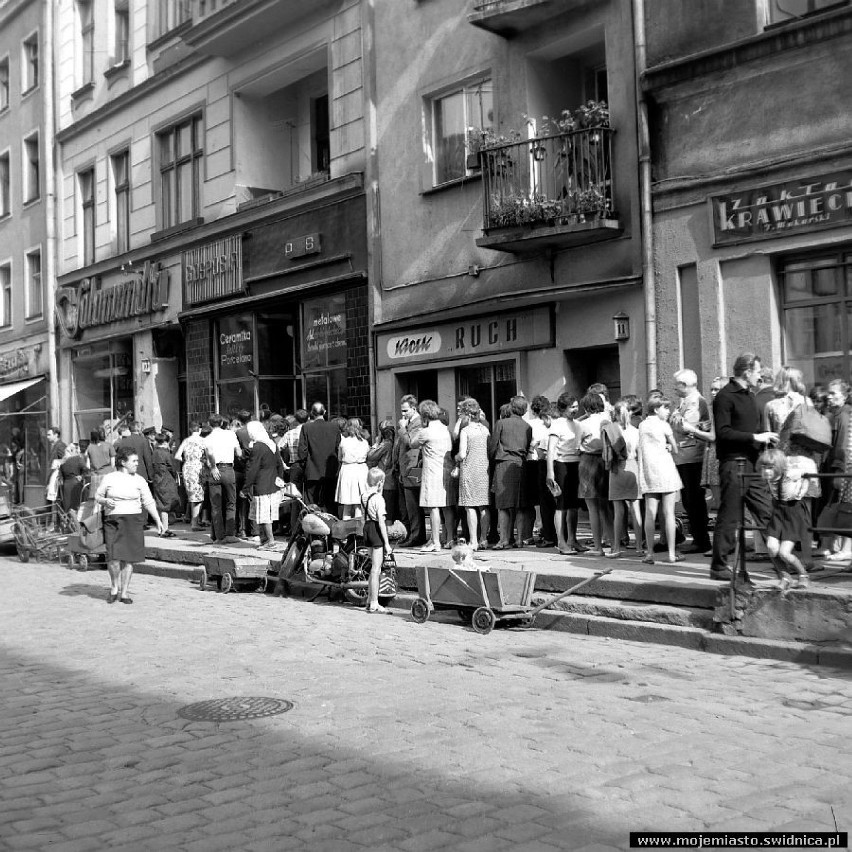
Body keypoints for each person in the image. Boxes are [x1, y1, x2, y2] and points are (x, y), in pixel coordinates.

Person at [710, 353, 778, 581]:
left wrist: (764, 439)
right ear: (747, 371)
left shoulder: (749, 395)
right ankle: (719, 566)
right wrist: (755, 437)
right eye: (757, 371)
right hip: (733, 463)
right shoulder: (724, 396)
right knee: (730, 515)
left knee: (767, 511)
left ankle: (783, 560)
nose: (760, 376)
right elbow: (723, 433)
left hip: (753, 463)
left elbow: (751, 429)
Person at [95, 446, 165, 604]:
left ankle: (124, 592)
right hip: (113, 520)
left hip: (133, 520)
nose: (137, 464)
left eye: (137, 461)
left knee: (129, 559)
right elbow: (98, 496)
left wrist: (158, 520)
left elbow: (148, 501)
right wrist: (106, 500)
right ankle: (114, 587)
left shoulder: (139, 480)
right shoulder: (110, 478)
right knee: (113, 557)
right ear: (123, 462)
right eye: (133, 461)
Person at [756, 447, 815, 590]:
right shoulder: (770, 479)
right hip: (778, 512)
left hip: (793, 512)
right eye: (764, 467)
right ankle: (785, 577)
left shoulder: (790, 474)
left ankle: (803, 575)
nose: (766, 471)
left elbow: (806, 474)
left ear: (779, 467)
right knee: (771, 547)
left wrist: (802, 480)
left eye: (770, 467)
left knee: (784, 553)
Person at [671, 369, 714, 554]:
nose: (674, 389)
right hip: (684, 456)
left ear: (685, 385)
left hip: (691, 456)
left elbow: (683, 427)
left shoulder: (695, 402)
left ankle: (701, 540)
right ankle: (698, 538)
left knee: (694, 499)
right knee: (689, 499)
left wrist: (675, 420)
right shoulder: (686, 402)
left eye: (677, 385)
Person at [638, 397, 683, 565]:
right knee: (669, 513)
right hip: (666, 470)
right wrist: (670, 447)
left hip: (649, 473)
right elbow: (675, 448)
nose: (668, 411)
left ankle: (649, 553)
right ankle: (671, 554)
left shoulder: (642, 425)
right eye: (666, 408)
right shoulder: (664, 425)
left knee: (650, 514)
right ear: (656, 409)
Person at [488, 396, 532, 550]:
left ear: (512, 407)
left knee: (503, 505)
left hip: (503, 463)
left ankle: (504, 540)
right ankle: (520, 539)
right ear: (525, 410)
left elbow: (493, 446)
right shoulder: (528, 426)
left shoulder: (501, 423)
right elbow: (527, 446)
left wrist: (491, 460)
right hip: (520, 464)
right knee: (520, 505)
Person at [546, 393, 586, 555]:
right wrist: (550, 473)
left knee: (574, 506)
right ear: (563, 409)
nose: (575, 410)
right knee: (562, 505)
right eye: (572, 407)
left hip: (576, 465)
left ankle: (573, 539)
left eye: (577, 406)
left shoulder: (577, 424)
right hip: (561, 464)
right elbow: (550, 450)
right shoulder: (557, 425)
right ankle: (561, 541)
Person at [412, 400, 454, 553]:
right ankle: (449, 538)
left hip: (432, 472)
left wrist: (407, 428)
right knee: (447, 506)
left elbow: (412, 443)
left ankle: (435, 541)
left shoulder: (426, 431)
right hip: (446, 469)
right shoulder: (445, 429)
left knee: (434, 507)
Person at [577, 392, 612, 557]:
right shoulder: (608, 421)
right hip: (606, 461)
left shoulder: (583, 424)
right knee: (606, 506)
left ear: (586, 407)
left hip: (588, 460)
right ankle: (613, 543)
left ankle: (598, 546)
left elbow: (577, 444)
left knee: (592, 507)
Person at [606, 400, 642, 558]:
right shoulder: (636, 431)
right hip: (633, 466)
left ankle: (616, 547)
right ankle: (640, 547)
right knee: (636, 510)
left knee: (618, 511)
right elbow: (640, 453)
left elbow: (606, 454)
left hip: (616, 468)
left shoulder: (611, 430)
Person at [243, 421, 285, 548]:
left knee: (263, 514)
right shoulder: (271, 443)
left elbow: (252, 468)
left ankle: (270, 540)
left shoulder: (258, 446)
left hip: (262, 483)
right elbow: (279, 464)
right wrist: (280, 479)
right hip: (272, 482)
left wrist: (245, 487)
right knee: (267, 514)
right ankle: (265, 539)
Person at [455, 397, 490, 551]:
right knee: (483, 506)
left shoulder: (466, 431)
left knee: (470, 507)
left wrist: (455, 458)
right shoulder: (485, 430)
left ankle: (474, 541)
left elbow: (462, 454)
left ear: (467, 415)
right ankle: (484, 539)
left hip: (469, 469)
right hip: (484, 470)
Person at [203, 413, 242, 544]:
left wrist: (213, 467)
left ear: (209, 424)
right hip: (229, 469)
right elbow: (239, 452)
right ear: (221, 423)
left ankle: (219, 536)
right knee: (231, 503)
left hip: (214, 471)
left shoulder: (208, 438)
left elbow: (209, 453)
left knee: (216, 506)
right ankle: (230, 534)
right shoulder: (231, 434)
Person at [297, 402, 341, 514]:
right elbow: (338, 447)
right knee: (330, 501)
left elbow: (302, 451)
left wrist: (304, 465)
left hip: (312, 470)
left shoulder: (306, 427)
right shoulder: (334, 427)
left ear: (312, 413)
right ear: (325, 412)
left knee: (311, 503)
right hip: (330, 470)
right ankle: (331, 526)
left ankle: (311, 528)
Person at [395, 395, 426, 547]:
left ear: (414, 408)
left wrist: (401, 427)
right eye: (401, 411)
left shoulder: (418, 423)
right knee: (408, 505)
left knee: (413, 504)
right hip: (405, 467)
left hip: (413, 467)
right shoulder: (409, 422)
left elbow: (410, 442)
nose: (403, 414)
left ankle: (417, 535)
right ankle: (413, 534)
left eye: (405, 411)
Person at [361, 467, 393, 614]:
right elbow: (381, 521)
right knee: (376, 569)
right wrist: (387, 544)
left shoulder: (364, 496)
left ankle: (369, 599)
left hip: (366, 528)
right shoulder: (379, 499)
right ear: (380, 482)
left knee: (372, 567)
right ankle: (374, 603)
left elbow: (363, 516)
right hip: (375, 529)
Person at [526, 395, 555, 547]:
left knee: (538, 499)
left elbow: (532, 444)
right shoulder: (550, 423)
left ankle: (541, 527)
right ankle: (547, 529)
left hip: (535, 461)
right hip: (553, 460)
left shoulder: (530, 424)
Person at [336, 418, 370, 519]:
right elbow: (368, 456)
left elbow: (339, 457)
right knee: (359, 505)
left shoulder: (344, 442)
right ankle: (359, 531)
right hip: (361, 469)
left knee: (347, 505)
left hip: (347, 470)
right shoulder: (364, 442)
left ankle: (346, 532)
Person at [175, 422, 206, 531]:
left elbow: (177, 456)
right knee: (199, 495)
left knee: (192, 495)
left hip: (187, 467)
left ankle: (194, 520)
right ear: (200, 430)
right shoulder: (203, 441)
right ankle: (195, 522)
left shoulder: (186, 441)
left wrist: (187, 460)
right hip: (198, 467)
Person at [366, 420, 399, 524]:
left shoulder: (385, 444)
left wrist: (376, 443)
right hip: (394, 478)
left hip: (386, 479)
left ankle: (388, 533)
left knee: (386, 510)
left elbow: (371, 456)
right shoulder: (396, 442)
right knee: (393, 509)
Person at [151, 433, 180, 538]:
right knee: (166, 505)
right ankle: (165, 529)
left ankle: (161, 528)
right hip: (167, 480)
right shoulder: (166, 453)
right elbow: (172, 468)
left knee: (160, 503)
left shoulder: (154, 452)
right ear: (166, 442)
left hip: (157, 480)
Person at [85, 428, 115, 494]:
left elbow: (87, 466)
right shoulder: (109, 445)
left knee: (97, 498)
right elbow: (113, 464)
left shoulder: (89, 447)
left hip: (96, 475)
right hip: (108, 474)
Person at [59, 443, 86, 513]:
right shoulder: (77, 459)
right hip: (75, 484)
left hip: (66, 485)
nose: (79, 452)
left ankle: (67, 522)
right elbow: (86, 470)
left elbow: (61, 476)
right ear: (74, 450)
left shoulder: (63, 462)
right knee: (76, 507)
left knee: (67, 508)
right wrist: (82, 476)